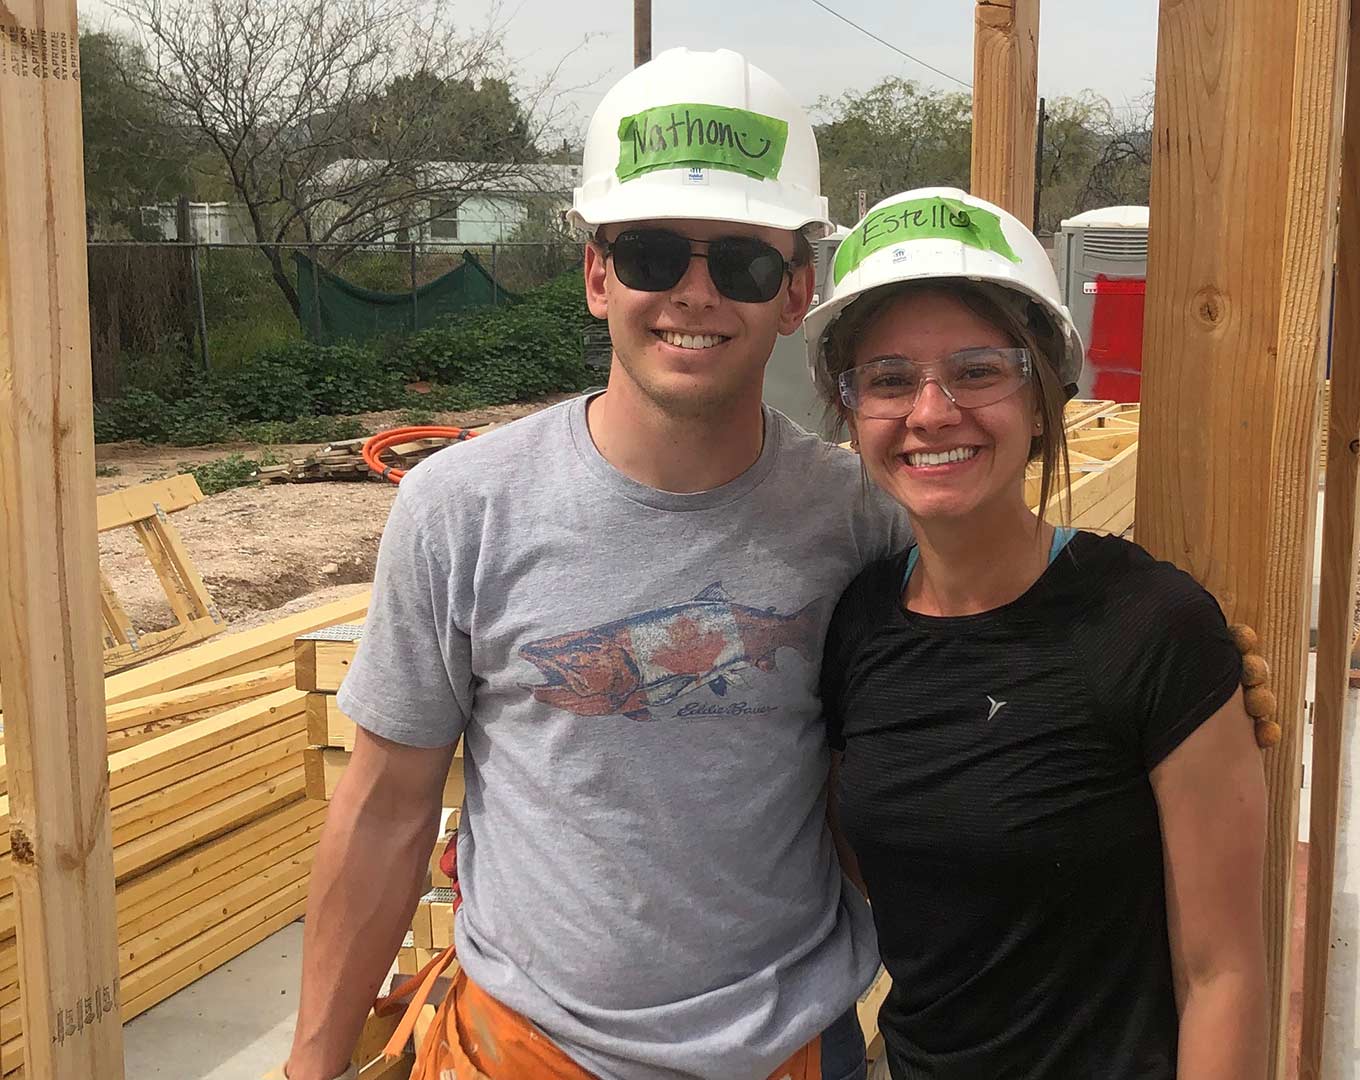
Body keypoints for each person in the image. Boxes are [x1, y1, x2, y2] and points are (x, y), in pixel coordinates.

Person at [282, 48, 901, 1080]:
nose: (694, 295)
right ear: (596, 272)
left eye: (743, 263)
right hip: (526, 1049)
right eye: (655, 252)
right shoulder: (463, 509)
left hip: (791, 1048)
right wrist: (311, 1064)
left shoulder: (858, 520)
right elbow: (387, 808)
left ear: (796, 291)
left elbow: (998, 640)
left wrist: (1164, 646)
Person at [806, 188, 1272, 1078]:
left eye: (978, 370)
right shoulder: (859, 623)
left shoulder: (1150, 627)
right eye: (891, 379)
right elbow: (883, 869)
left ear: (1043, 389)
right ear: (851, 406)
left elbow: (1223, 973)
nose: (932, 412)